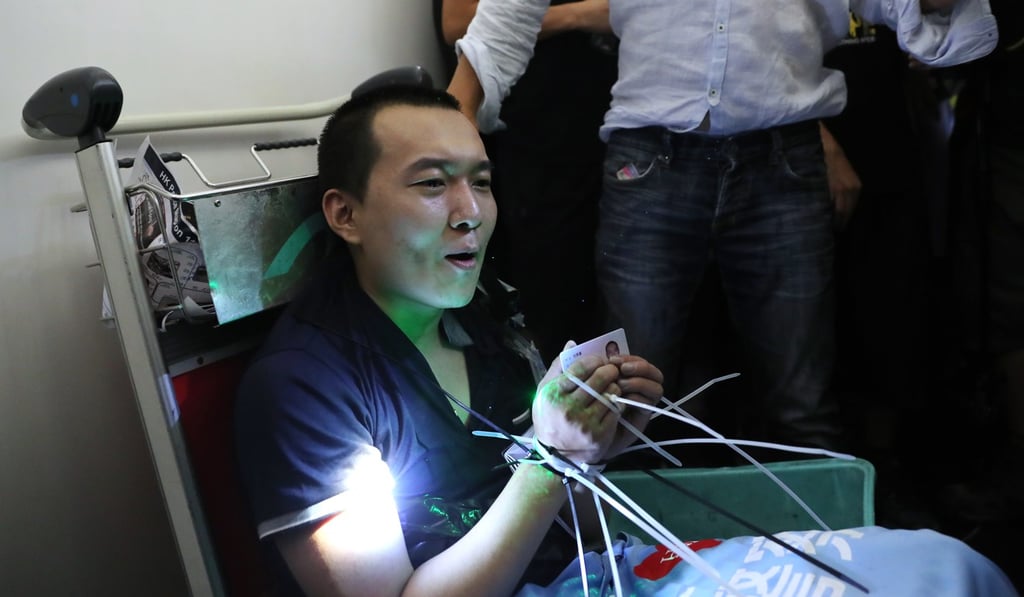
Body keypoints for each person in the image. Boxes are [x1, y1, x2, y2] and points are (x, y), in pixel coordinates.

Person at [233, 82, 1019, 596]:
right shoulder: (306, 387)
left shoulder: (485, 319)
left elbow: (560, 513)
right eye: (433, 183)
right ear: (345, 214)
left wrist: (599, 441)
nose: (470, 211)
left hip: (602, 570)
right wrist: (551, 459)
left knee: (947, 566)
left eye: (483, 180)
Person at [447, 0, 1000, 455]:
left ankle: (825, 554)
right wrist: (456, 113)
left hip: (781, 154)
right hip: (651, 157)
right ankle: (625, 552)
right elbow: (512, 7)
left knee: (800, 404)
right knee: (626, 401)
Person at [432, 0, 617, 362]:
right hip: (540, 139)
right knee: (555, 304)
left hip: (621, 136)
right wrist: (582, 15)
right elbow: (457, 22)